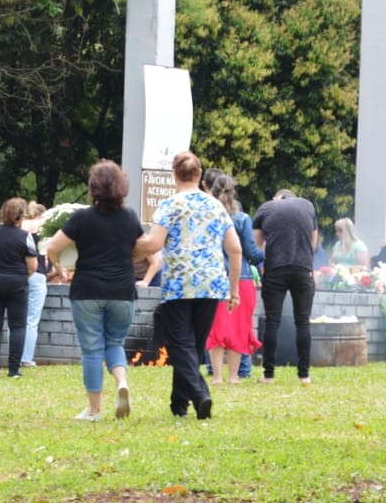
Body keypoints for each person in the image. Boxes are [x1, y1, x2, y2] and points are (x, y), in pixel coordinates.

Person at [134, 152, 240, 419]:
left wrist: (127, 249)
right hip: (212, 284)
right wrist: (234, 288)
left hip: (179, 284)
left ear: (174, 175)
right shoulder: (216, 206)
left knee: (179, 344)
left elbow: (154, 244)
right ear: (200, 174)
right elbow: (235, 249)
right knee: (193, 346)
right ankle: (179, 405)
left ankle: (200, 394)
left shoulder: (170, 205)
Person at [46, 159, 145, 421]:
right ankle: (121, 383)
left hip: (88, 290)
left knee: (91, 349)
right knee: (114, 342)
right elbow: (141, 248)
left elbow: (52, 248)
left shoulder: (81, 218)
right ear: (121, 187)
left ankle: (94, 409)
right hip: (123, 289)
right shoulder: (130, 217)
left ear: (93, 188)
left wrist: (60, 269)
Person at [253, 188, 319, 385]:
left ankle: (268, 375)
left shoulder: (266, 208)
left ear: (276, 198)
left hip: (275, 268)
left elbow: (257, 246)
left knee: (273, 321)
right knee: (303, 321)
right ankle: (304, 375)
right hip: (303, 268)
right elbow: (313, 243)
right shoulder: (307, 205)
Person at [205, 173, 263, 385]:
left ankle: (217, 377)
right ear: (233, 192)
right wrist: (268, 256)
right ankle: (233, 376)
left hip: (214, 277)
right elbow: (251, 251)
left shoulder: (209, 217)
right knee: (239, 328)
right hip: (242, 278)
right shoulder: (242, 219)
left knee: (216, 328)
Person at [0, 198, 37, 378]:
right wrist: (20, 277)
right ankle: (13, 370)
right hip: (17, 283)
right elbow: (32, 266)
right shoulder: (25, 235)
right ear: (21, 216)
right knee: (17, 326)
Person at [18, 202, 49, 368]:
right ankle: (26, 358)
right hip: (37, 274)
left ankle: (14, 355)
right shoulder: (44, 226)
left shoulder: (20, 225)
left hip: (18, 273)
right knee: (31, 319)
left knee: (16, 318)